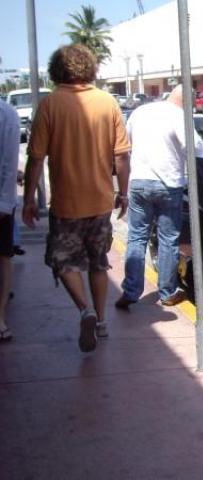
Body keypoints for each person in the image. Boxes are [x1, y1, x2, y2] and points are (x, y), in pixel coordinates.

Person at [23, 44, 130, 353]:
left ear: (57, 70)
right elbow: (121, 158)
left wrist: (30, 198)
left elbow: (35, 158)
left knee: (64, 262)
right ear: (89, 68)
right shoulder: (107, 103)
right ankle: (101, 323)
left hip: (66, 205)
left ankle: (86, 310)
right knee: (99, 264)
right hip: (100, 203)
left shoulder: (49, 105)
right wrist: (122, 193)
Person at [115, 85, 203, 310]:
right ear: (187, 100)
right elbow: (194, 148)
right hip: (167, 185)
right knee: (168, 239)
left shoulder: (140, 112)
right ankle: (168, 292)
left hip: (138, 182)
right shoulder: (178, 116)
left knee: (137, 237)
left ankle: (131, 291)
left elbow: (125, 145)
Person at [0, 99, 20, 341]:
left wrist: (5, 202)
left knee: (4, 257)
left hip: (1, 203)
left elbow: (9, 162)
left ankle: (0, 317)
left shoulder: (7, 114)